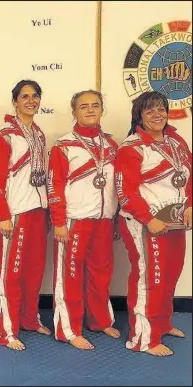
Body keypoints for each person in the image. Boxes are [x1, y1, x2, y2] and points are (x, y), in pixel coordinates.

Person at [115, 91, 192, 357]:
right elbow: (126, 193)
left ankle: (161, 323)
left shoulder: (176, 140)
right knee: (150, 279)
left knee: (170, 275)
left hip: (175, 223)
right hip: (145, 223)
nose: (157, 115)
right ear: (139, 116)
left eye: (161, 109)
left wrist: (191, 205)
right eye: (150, 111)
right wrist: (149, 219)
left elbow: (189, 177)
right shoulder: (131, 147)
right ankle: (143, 339)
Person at [47, 89, 121, 350]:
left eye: (95, 105)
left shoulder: (112, 145)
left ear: (102, 110)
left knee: (101, 273)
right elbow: (53, 185)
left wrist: (116, 218)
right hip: (74, 220)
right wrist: (58, 221)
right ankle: (69, 328)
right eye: (83, 106)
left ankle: (100, 320)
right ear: (74, 112)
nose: (90, 110)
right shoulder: (64, 145)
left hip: (103, 219)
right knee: (70, 276)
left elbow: (118, 185)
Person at [0, 80, 51, 351]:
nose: (31, 101)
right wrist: (2, 213)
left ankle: (28, 318)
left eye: (35, 96)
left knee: (34, 271)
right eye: (25, 96)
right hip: (15, 212)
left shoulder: (39, 134)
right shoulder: (4, 136)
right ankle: (5, 328)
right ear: (15, 101)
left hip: (37, 210)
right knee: (9, 274)